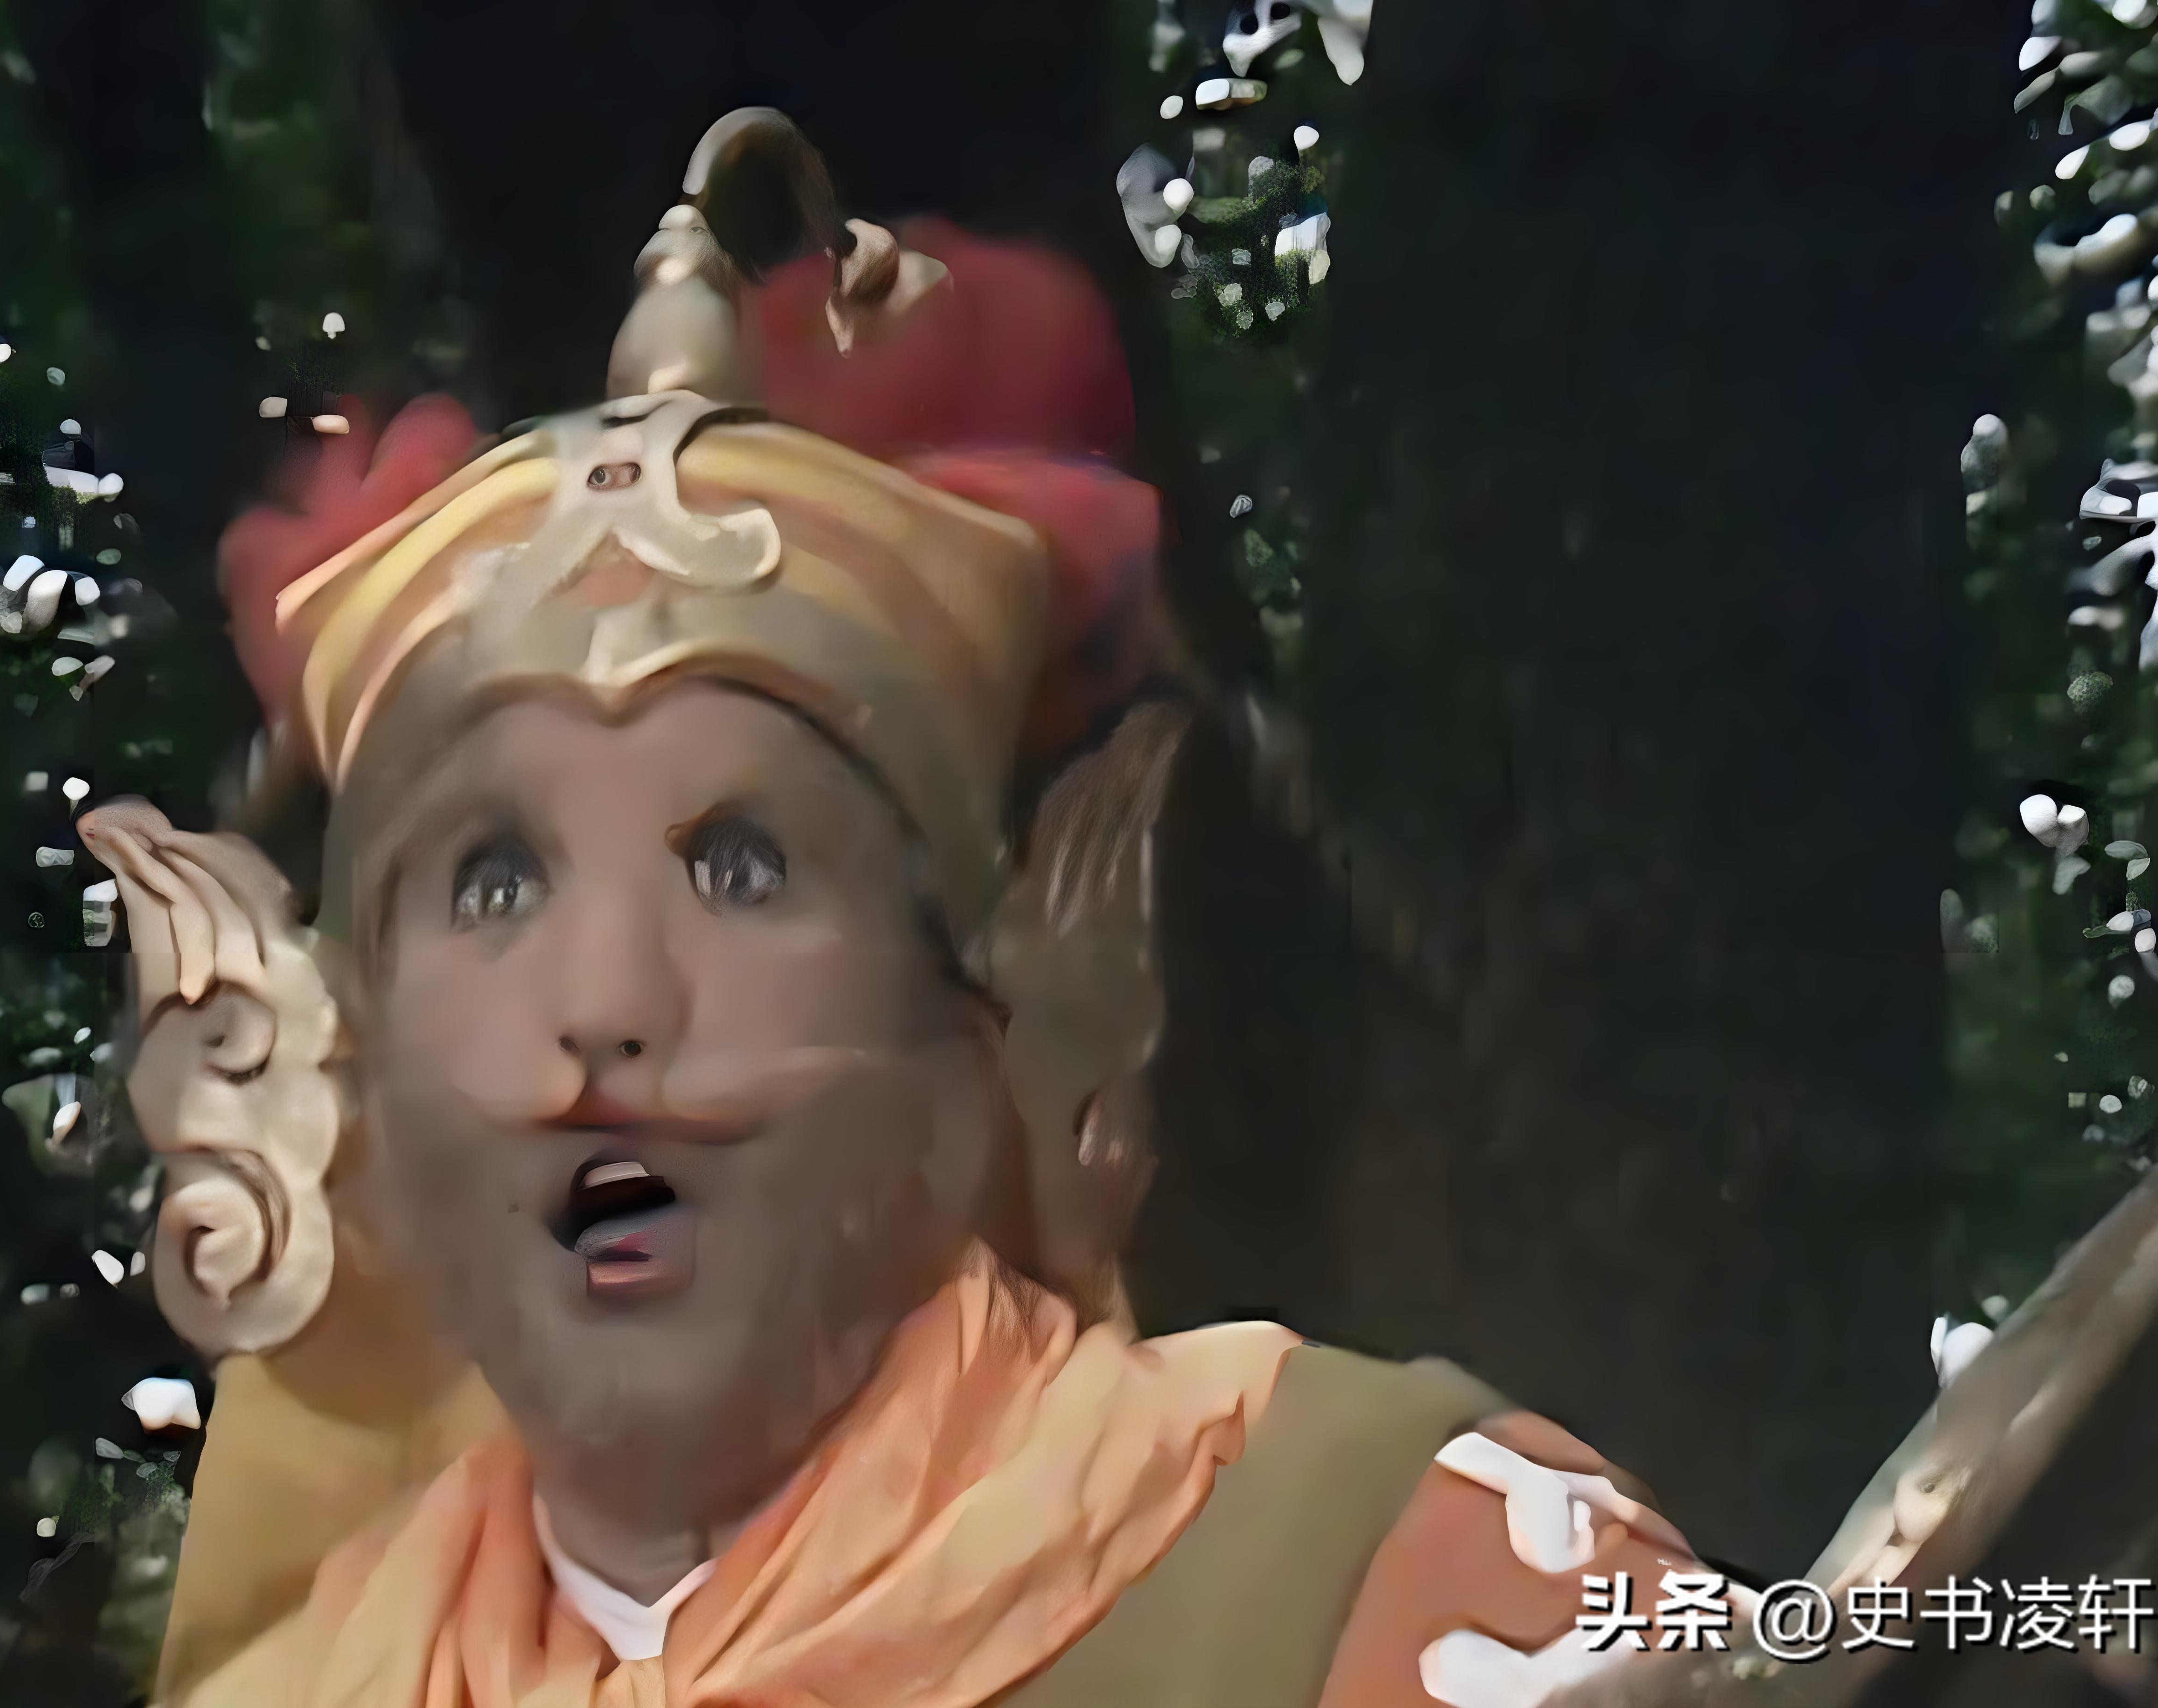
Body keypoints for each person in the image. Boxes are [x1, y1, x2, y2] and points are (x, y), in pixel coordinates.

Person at [96, 110, 1724, 1708]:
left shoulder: (1395, 1561)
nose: (604, 1002)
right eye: (494, 883)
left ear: (970, 1037)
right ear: (356, 1076)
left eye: (743, 866)